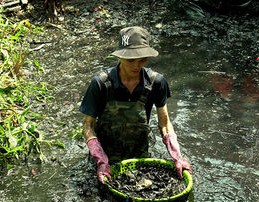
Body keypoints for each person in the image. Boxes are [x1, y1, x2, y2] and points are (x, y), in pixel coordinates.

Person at [79, 26, 192, 183]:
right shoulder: (100, 84)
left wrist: (177, 157)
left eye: (142, 60)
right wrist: (101, 160)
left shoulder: (156, 82)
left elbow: (164, 124)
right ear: (120, 57)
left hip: (139, 156)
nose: (136, 66)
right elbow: (87, 126)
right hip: (105, 156)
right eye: (131, 60)